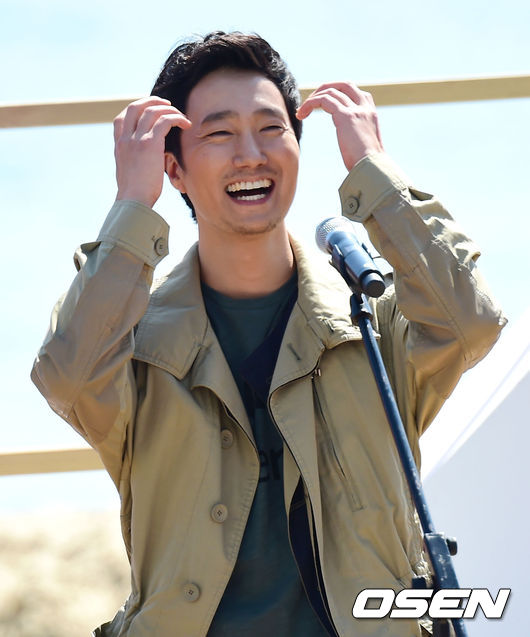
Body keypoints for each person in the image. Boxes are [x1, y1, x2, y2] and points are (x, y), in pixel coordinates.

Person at [31, 31, 506, 637]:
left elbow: (470, 320)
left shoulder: (372, 321)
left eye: (272, 128)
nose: (251, 154)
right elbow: (66, 378)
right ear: (174, 169)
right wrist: (132, 204)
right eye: (220, 134)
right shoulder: (134, 340)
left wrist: (375, 173)